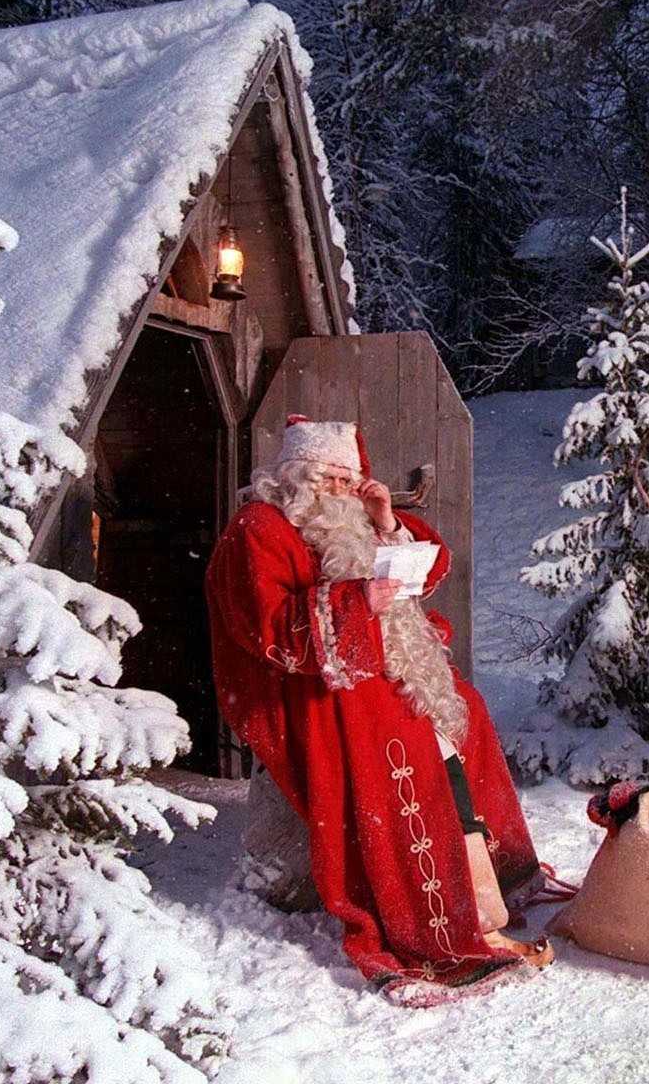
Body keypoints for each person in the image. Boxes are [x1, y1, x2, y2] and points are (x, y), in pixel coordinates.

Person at [205, 415, 551, 1005]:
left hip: (376, 665)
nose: (340, 490)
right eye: (328, 477)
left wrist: (387, 522)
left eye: (349, 479)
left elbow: (429, 567)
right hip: (307, 685)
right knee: (406, 744)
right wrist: (356, 602)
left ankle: (487, 887)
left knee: (465, 710)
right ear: (295, 475)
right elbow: (266, 628)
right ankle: (436, 921)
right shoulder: (258, 527)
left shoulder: (355, 521)